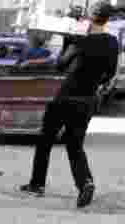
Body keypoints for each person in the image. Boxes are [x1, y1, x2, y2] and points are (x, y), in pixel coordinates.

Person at [20, 2, 119, 208]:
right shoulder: (112, 43)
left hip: (65, 98)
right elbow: (110, 73)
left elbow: (60, 65)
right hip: (87, 100)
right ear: (107, 19)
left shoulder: (80, 41)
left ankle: (37, 184)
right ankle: (85, 183)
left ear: (90, 18)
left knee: (45, 140)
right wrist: (95, 84)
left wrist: (68, 40)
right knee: (75, 145)